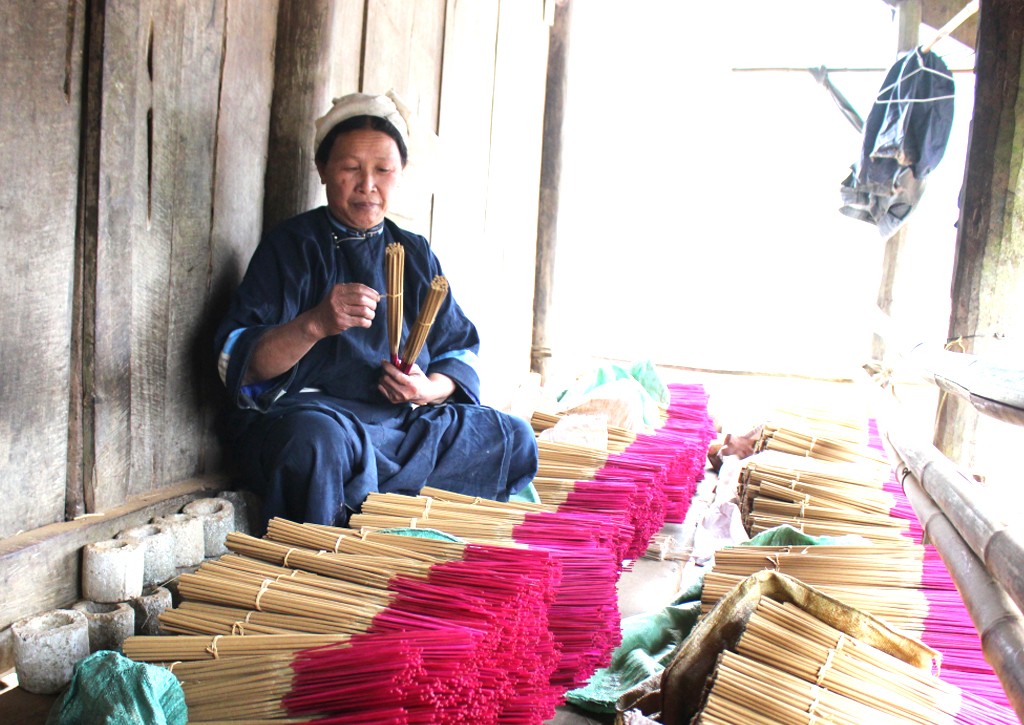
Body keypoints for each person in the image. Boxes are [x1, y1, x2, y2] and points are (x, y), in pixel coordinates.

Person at [213, 90, 538, 531]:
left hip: (405, 425)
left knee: (512, 437)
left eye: (383, 170)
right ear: (324, 170)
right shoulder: (290, 247)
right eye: (350, 168)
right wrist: (314, 324)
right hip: (320, 420)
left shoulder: (415, 254)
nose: (368, 184)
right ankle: (350, 526)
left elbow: (458, 353)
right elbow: (241, 362)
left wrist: (425, 390)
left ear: (399, 174)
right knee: (313, 446)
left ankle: (374, 506)